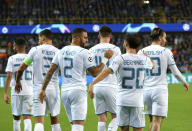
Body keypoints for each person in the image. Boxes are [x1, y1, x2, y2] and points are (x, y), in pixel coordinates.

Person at [38, 28, 114, 131]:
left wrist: (43, 89)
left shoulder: (61, 51)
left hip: (65, 92)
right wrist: (105, 58)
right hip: (78, 91)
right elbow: (95, 72)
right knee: (78, 126)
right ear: (77, 38)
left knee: (74, 124)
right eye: (85, 37)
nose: (87, 40)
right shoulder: (84, 52)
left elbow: (50, 71)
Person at [89, 34, 154, 131]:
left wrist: (92, 83)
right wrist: (148, 57)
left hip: (122, 101)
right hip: (137, 101)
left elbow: (107, 71)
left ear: (126, 44)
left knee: (124, 129)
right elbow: (152, 65)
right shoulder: (144, 59)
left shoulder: (120, 58)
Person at [137, 27, 189, 131]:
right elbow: (175, 72)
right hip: (159, 90)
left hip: (146, 90)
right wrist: (184, 82)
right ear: (160, 38)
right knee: (157, 121)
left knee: (151, 120)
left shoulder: (141, 52)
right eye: (165, 38)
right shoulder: (166, 51)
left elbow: (139, 73)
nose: (166, 40)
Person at [15, 29, 61, 131]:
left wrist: (18, 82)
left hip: (38, 89)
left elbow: (21, 68)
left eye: (39, 38)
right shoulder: (58, 52)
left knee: (39, 121)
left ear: (43, 38)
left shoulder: (34, 50)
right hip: (54, 89)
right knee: (55, 120)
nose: (38, 41)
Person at [89, 25, 121, 131]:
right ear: (110, 36)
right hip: (111, 85)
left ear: (99, 36)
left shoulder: (91, 50)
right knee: (116, 116)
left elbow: (90, 70)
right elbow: (119, 68)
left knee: (101, 118)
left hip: (97, 86)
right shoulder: (116, 50)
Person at [4, 39, 33, 131]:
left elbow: (9, 76)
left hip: (16, 91)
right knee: (27, 117)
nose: (13, 47)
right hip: (29, 91)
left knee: (16, 117)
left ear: (16, 47)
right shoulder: (30, 58)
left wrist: (5, 93)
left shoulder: (12, 59)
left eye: (13, 45)